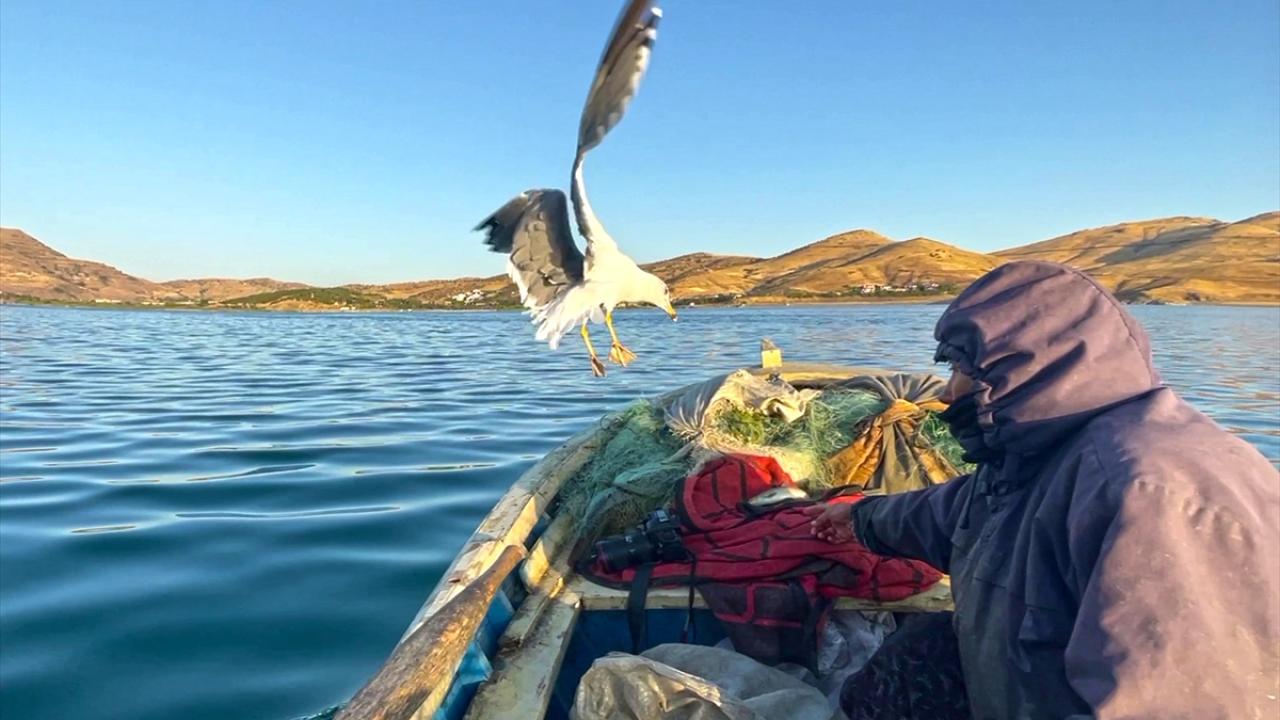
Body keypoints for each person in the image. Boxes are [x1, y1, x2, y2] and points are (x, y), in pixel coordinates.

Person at [806, 260, 1280, 719]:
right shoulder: (1040, 454)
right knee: (918, 654)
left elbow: (1181, 702)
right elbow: (963, 511)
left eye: (961, 370)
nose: (946, 393)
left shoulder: (1149, 494)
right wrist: (862, 518)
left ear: (1020, 369)